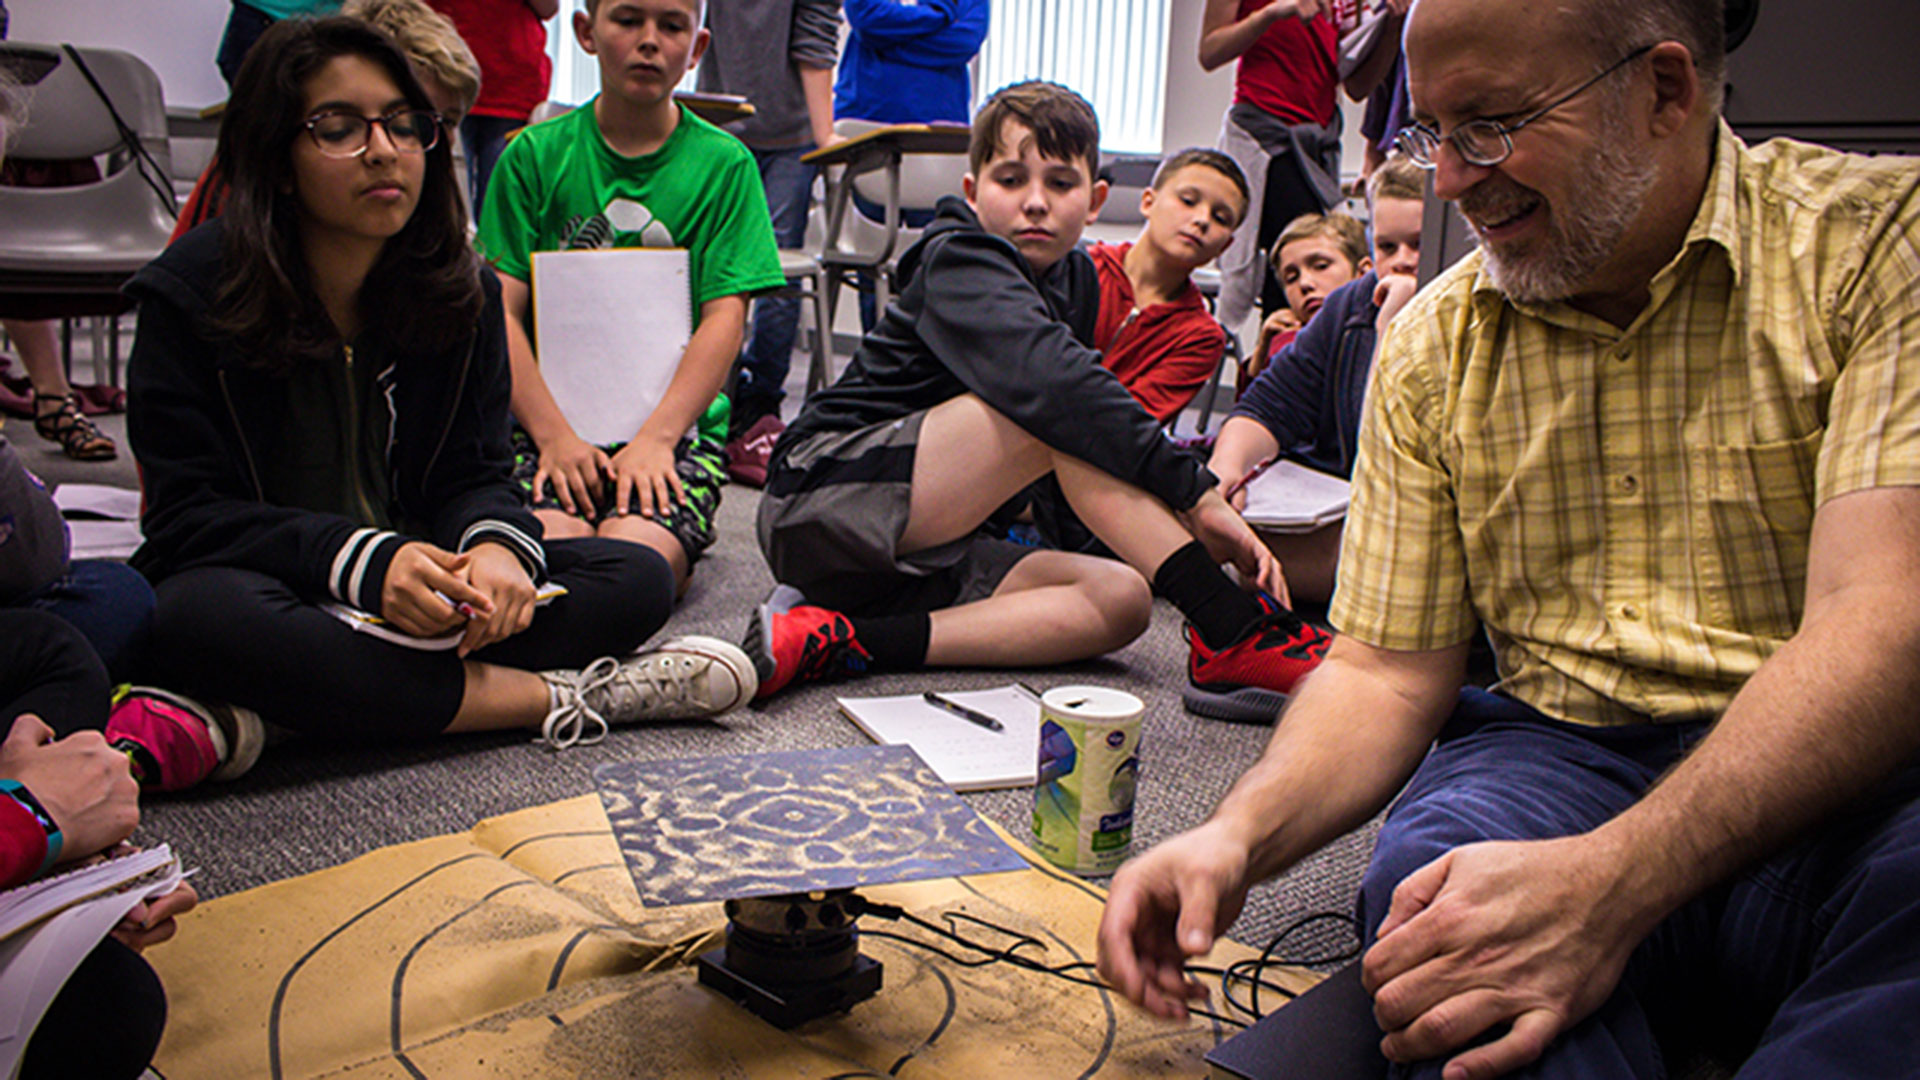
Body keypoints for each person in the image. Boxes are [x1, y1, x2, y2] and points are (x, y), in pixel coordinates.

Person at [1098, 3, 1920, 1078]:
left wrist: (1615, 881)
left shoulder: (1874, 243)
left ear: (1664, 90)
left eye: (1487, 125)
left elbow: (1883, 623)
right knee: (1441, 904)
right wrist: (1234, 837)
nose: (1447, 179)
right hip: (1565, 751)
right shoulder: (1435, 344)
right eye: (1429, 133)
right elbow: (1386, 674)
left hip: (1855, 780)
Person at [122, 18, 756, 792]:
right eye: (338, 128)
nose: (383, 150)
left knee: (634, 579)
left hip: (425, 589)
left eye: (404, 125)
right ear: (278, 158)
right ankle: (561, 697)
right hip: (280, 584)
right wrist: (365, 563)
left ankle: (286, 714)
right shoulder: (193, 293)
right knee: (193, 619)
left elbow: (475, 472)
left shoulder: (459, 291)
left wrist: (493, 551)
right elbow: (187, 520)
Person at [749, 81, 1331, 722]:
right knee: (1051, 410)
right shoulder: (958, 253)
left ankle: (844, 641)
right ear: (972, 194)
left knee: (1122, 598)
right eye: (1009, 179)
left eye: (1060, 184)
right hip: (817, 503)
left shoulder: (1075, 282)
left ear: (1095, 200)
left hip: (918, 547)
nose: (1034, 203)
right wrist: (1196, 493)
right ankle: (1230, 633)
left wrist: (1155, 533)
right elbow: (1056, 390)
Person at [478, 0, 785, 596]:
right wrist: (553, 438)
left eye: (671, 26)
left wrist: (658, 439)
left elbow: (725, 320)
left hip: (674, 433)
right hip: (546, 427)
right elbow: (500, 315)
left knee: (634, 566)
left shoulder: (726, 167)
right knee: (545, 557)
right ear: (587, 33)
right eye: (627, 20)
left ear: (696, 49)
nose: (650, 41)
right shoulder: (532, 158)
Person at [1210, 155, 1425, 604]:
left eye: (1418, 244)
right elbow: (1266, 407)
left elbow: (1401, 459)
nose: (1403, 263)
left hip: (1425, 522)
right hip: (1349, 512)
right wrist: (1224, 472)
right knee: (1228, 534)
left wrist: (1392, 332)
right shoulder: (1351, 304)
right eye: (1388, 248)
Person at [175, 0, 481, 242]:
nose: (390, 149)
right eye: (406, 123)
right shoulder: (243, 188)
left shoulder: (433, 219)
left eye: (450, 122)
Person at [696, 0, 841, 455]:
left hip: (785, 136)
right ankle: (720, 399)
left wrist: (824, 140)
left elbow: (814, 44)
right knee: (722, 268)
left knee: (773, 273)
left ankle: (758, 405)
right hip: (719, 124)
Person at [1199, 0, 1342, 332]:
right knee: (1294, 280)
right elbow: (1209, 52)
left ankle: (1274, 373)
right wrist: (1269, 14)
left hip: (1318, 145)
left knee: (1316, 281)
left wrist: (1390, 29)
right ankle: (1268, 374)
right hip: (1266, 138)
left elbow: (1357, 84)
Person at [1090, 148, 1250, 425]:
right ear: (1148, 202)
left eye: (1220, 218)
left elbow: (1129, 425)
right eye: (1188, 201)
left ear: (1225, 246)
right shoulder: (1081, 268)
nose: (1202, 219)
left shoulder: (1201, 338)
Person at [425, 0, 556, 219]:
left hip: (506, 85)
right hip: (449, 80)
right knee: (446, 208)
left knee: (500, 207)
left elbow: (548, 8)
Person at [1245, 209, 1369, 386]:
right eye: (1291, 278)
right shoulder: (1287, 341)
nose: (1304, 284)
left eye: (1320, 266)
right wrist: (1261, 355)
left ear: (1362, 272)